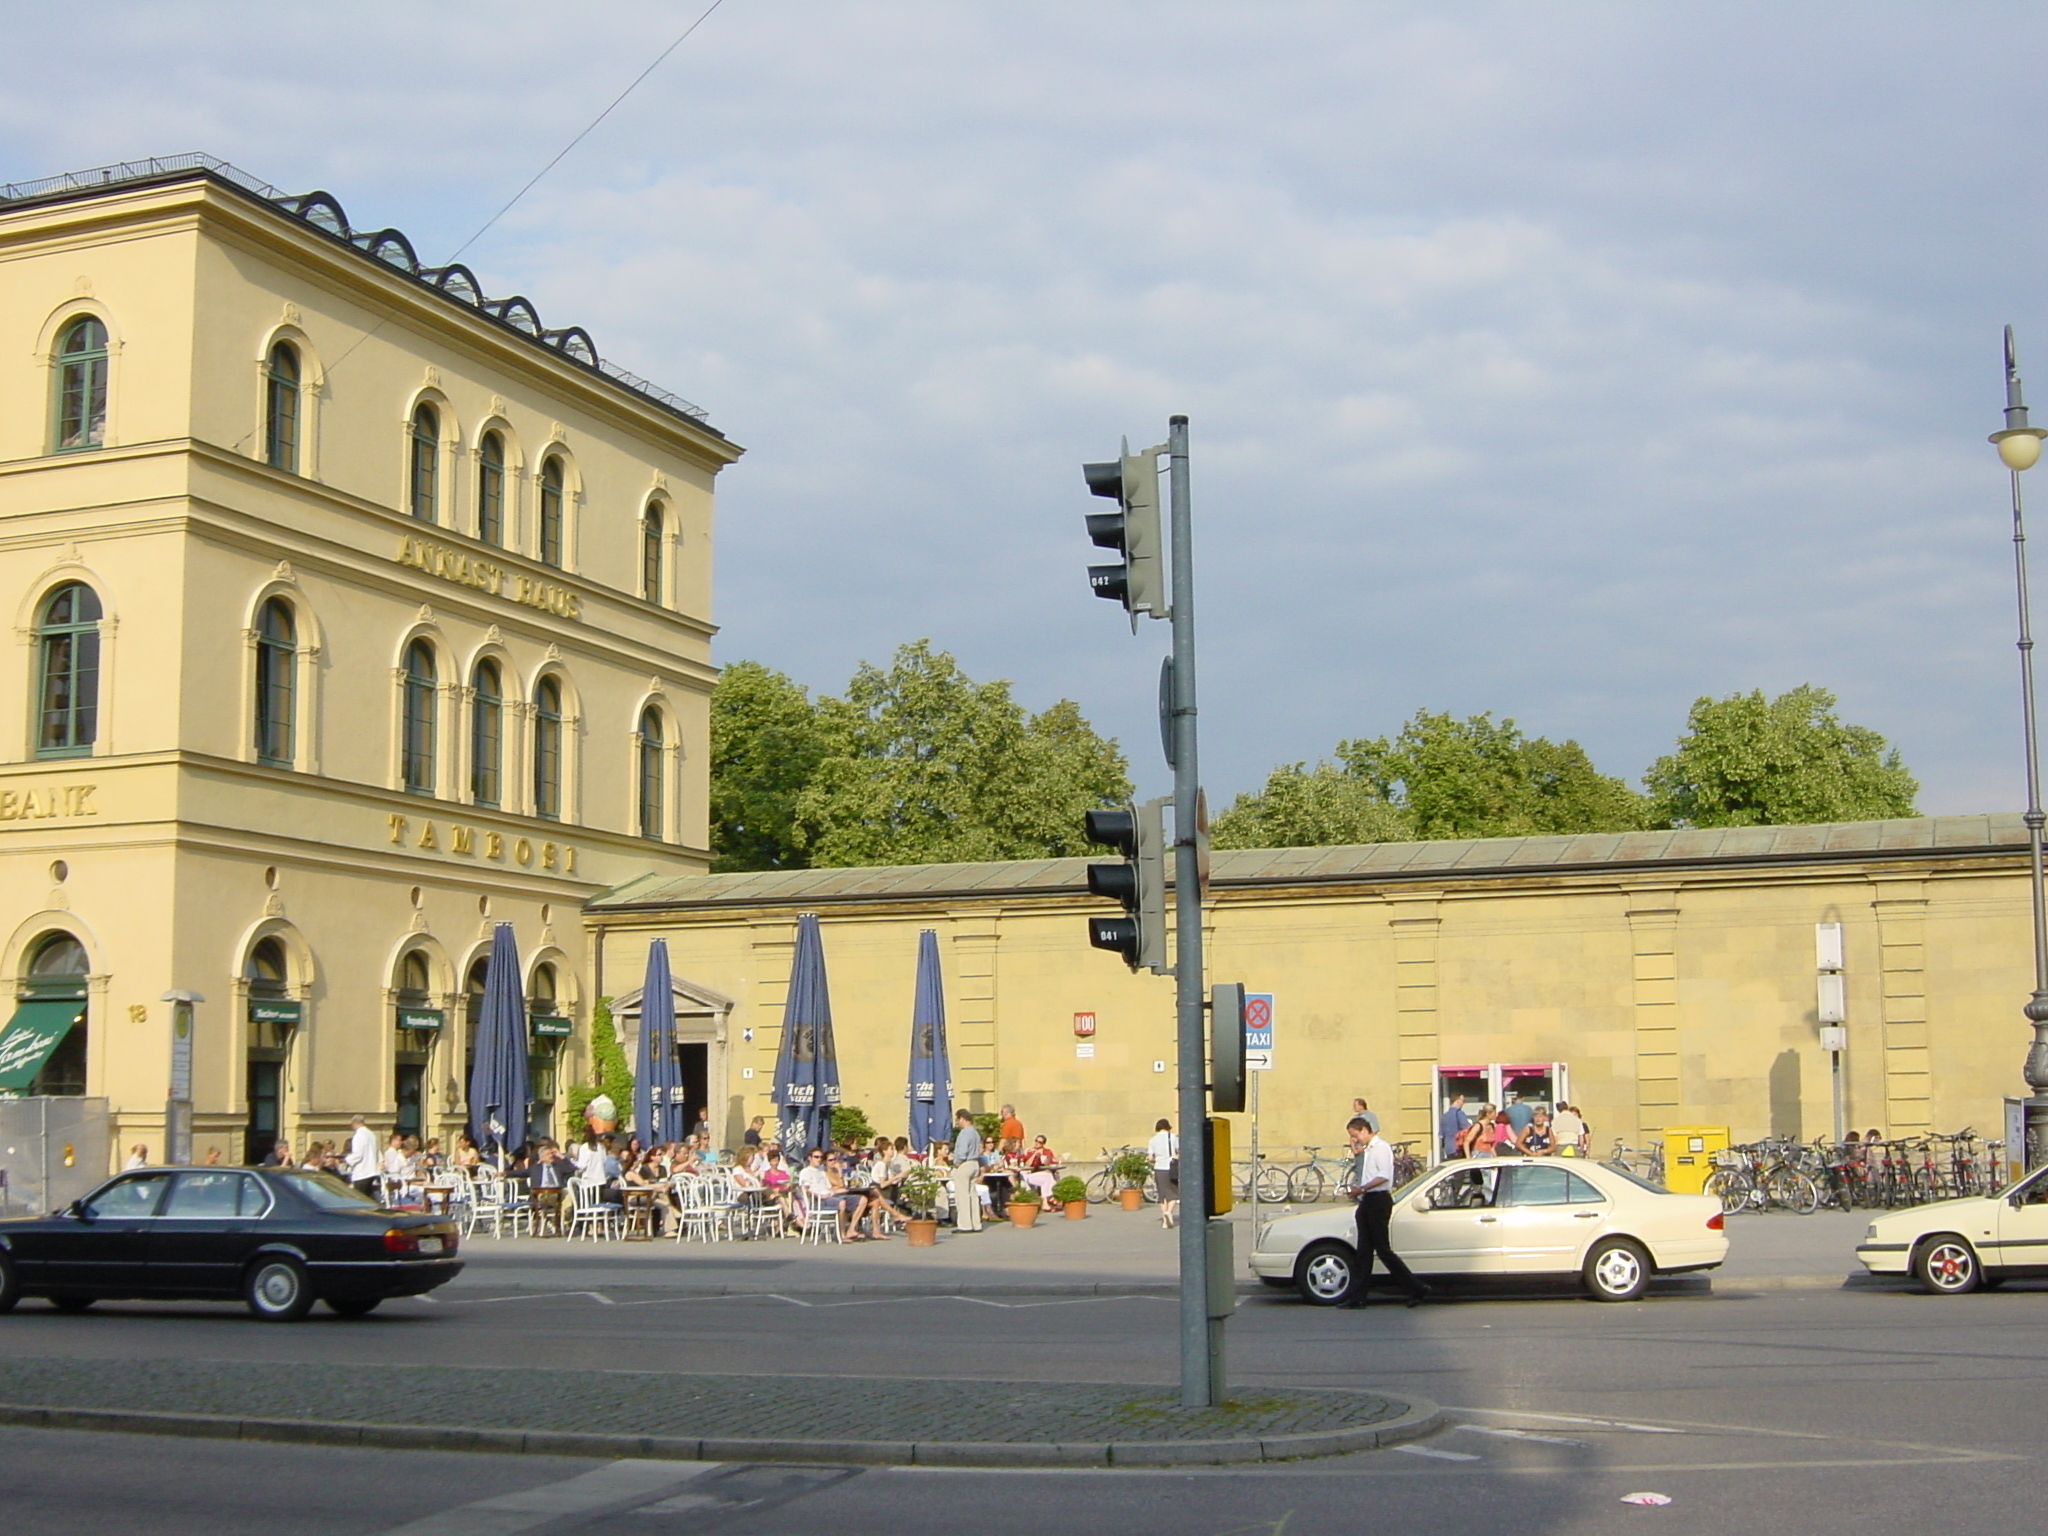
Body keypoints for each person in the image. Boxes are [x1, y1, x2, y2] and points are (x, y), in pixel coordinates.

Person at [1342, 1116, 1428, 1308]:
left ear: (1365, 1130)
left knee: (1383, 1249)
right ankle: (1357, 1296)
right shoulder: (1369, 1149)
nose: (1355, 1139)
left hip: (1378, 1200)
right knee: (1363, 1251)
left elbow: (1384, 1176)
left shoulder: (1381, 1148)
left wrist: (1361, 1189)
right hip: (1368, 1200)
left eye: (1355, 1135)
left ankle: (1416, 1287)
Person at [950, 1110, 984, 1232]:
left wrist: (957, 1162)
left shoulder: (964, 1133)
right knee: (973, 1195)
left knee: (962, 1196)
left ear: (962, 1119)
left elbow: (962, 1151)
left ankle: (965, 1225)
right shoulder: (975, 1133)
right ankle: (976, 1223)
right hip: (975, 1163)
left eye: (957, 1120)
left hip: (965, 1164)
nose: (957, 1123)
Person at [1148, 1118, 1179, 1228]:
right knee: (1174, 1192)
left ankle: (1164, 1217)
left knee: (1163, 1194)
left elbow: (1150, 1157)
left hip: (1159, 1168)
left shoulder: (1153, 1140)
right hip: (1170, 1167)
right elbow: (1179, 1151)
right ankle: (1168, 1212)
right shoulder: (1173, 1137)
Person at [344, 1115, 379, 1195]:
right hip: (371, 1170)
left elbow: (358, 1154)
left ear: (354, 1123)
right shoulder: (371, 1134)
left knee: (360, 1196)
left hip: (362, 1172)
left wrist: (347, 1159)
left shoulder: (359, 1135)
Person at [1438, 1094, 1471, 1161]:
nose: (1463, 1103)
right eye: (1463, 1101)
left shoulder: (1445, 1116)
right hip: (1458, 1147)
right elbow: (1466, 1129)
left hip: (1448, 1148)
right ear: (1457, 1101)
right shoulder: (1459, 1113)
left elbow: (1441, 1135)